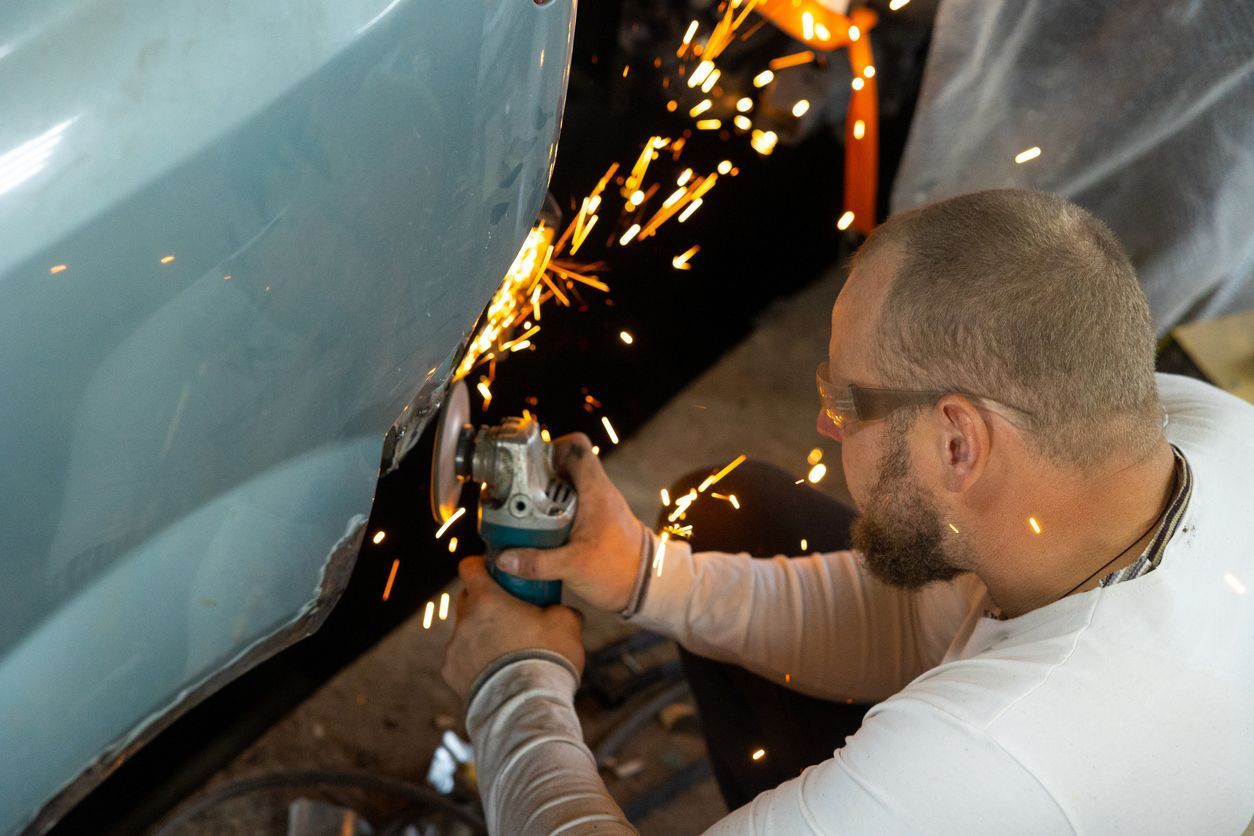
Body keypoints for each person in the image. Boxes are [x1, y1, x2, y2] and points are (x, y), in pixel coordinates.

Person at [440, 190, 1254, 834]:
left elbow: (975, 755)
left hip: (1008, 782)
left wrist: (514, 685)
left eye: (844, 399)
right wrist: (645, 576)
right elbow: (910, 627)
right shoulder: (1190, 429)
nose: (824, 425)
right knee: (736, 512)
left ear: (958, 442)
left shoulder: (996, 751)